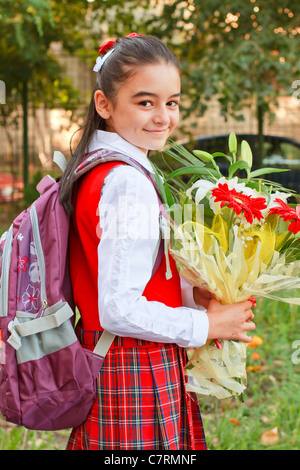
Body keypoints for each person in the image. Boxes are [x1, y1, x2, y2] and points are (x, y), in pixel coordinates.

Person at [59, 33, 255, 451]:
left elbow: (117, 273)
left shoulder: (99, 167)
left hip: (118, 358)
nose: (163, 117)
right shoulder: (126, 181)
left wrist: (188, 292)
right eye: (145, 102)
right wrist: (206, 325)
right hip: (133, 362)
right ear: (104, 104)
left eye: (172, 102)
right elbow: (118, 307)